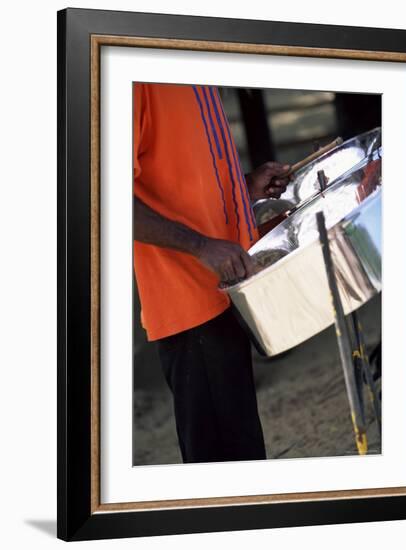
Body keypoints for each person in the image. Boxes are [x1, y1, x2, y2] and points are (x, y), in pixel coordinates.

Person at [133, 83, 292, 463]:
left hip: (226, 295)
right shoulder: (139, 79)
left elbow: (186, 176)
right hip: (189, 310)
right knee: (222, 473)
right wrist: (201, 247)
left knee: (244, 456)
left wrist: (245, 186)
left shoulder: (195, 77)